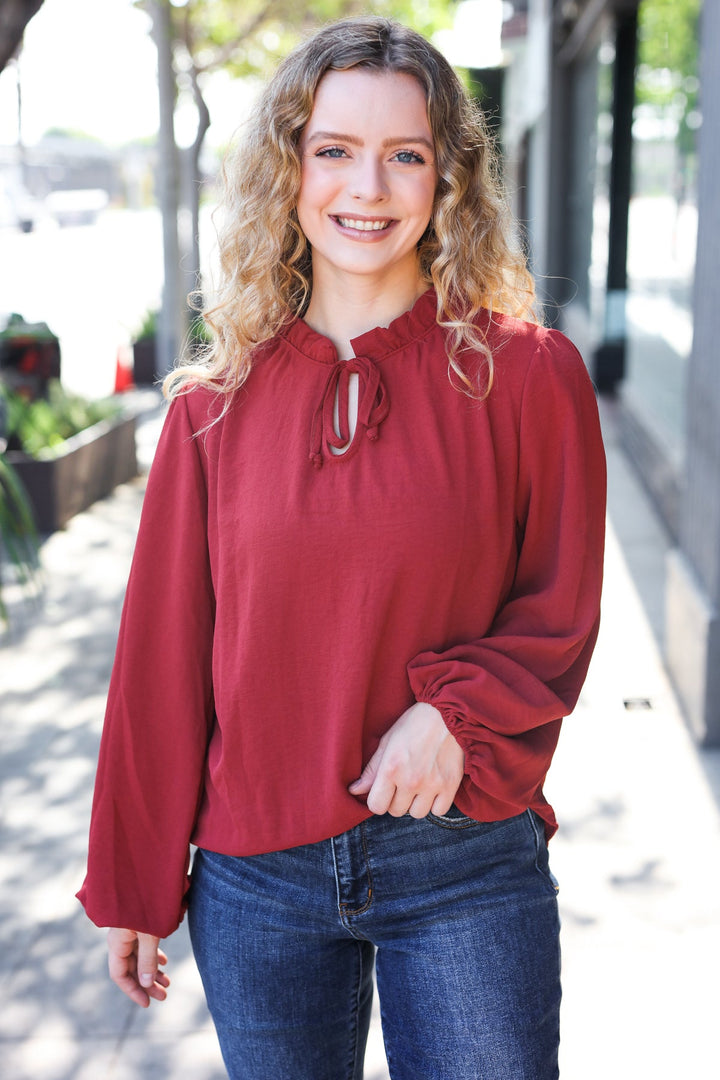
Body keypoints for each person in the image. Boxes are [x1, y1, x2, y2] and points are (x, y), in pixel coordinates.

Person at [77, 16, 606, 1080]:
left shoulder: (530, 379)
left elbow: (563, 608)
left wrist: (457, 714)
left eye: (404, 154)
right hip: (255, 879)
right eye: (335, 150)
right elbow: (161, 669)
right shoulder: (209, 412)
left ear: (445, 177)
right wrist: (133, 880)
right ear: (291, 168)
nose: (369, 186)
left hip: (463, 859)